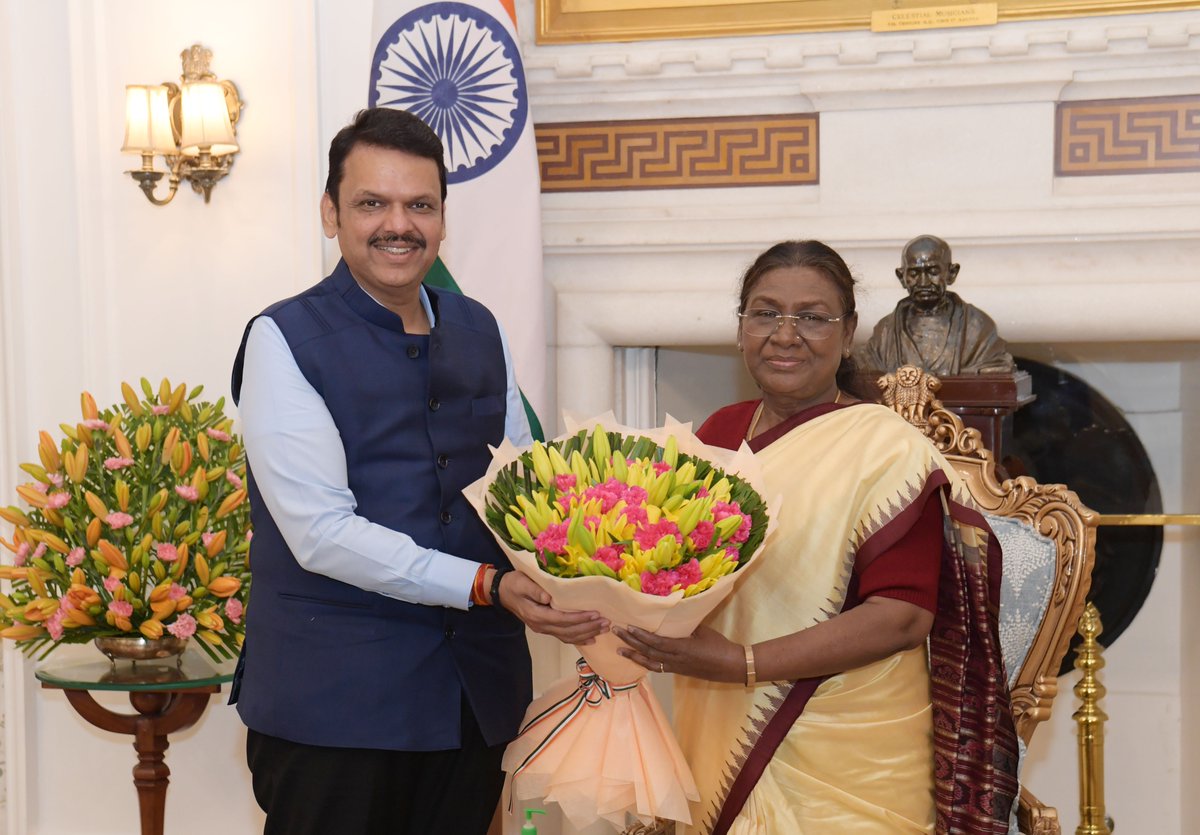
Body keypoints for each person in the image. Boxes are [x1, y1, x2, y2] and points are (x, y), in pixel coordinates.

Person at [230, 108, 607, 835]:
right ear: (330, 214)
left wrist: (598, 566)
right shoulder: (283, 338)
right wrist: (486, 584)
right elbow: (321, 534)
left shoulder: (479, 326)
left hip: (474, 698)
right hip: (336, 706)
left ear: (442, 220)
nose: (397, 224)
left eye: (419, 205)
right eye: (372, 203)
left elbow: (525, 486)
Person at [615, 241, 1017, 834]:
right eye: (765, 312)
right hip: (719, 724)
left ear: (848, 331)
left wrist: (742, 663)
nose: (785, 334)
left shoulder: (887, 447)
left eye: (812, 317)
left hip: (848, 749)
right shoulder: (717, 435)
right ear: (741, 327)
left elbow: (902, 617)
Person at [856, 234, 1014, 376]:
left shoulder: (978, 327)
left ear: (951, 273)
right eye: (914, 273)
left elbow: (996, 369)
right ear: (901, 277)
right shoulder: (884, 332)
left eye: (933, 272)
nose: (923, 282)